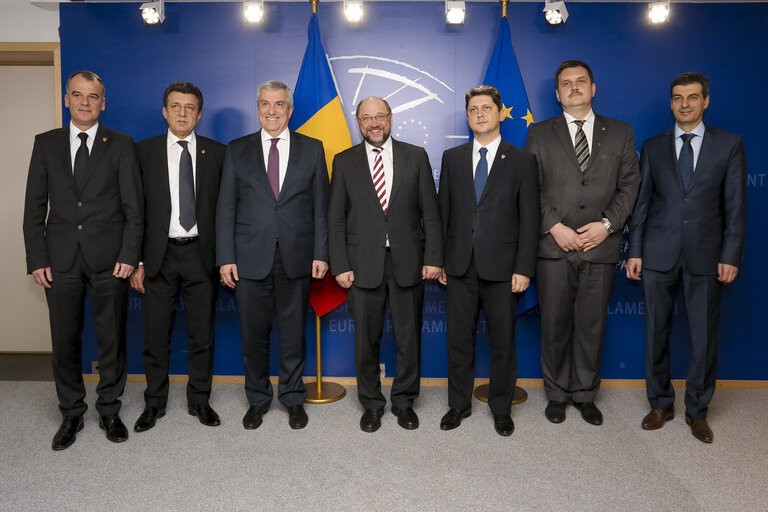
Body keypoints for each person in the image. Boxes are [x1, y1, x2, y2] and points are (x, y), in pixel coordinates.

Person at [23, 70, 143, 450]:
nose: (85, 102)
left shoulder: (121, 144)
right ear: (67, 99)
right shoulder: (46, 144)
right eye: (77, 95)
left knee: (111, 339)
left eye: (93, 96)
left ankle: (109, 408)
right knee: (65, 340)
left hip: (111, 261)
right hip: (59, 259)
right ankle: (71, 412)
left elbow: (133, 209)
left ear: (103, 102)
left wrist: (129, 254)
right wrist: (36, 256)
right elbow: (33, 207)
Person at [627, 72, 746, 444]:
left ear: (705, 101)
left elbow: (736, 208)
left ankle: (697, 411)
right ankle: (660, 403)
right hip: (658, 255)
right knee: (655, 334)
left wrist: (730, 254)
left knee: (703, 338)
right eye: (678, 98)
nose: (684, 104)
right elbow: (642, 206)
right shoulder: (653, 146)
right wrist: (636, 251)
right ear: (671, 102)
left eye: (692, 98)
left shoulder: (729, 145)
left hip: (707, 257)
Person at [525, 60, 639, 426]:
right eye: (566, 83)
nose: (574, 87)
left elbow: (630, 185)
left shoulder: (620, 133)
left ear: (593, 88)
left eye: (581, 81)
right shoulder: (540, 134)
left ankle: (586, 395)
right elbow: (531, 188)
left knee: (591, 326)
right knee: (554, 325)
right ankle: (557, 394)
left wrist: (607, 225)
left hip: (600, 247)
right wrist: (553, 226)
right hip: (553, 247)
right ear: (557, 93)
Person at [216, 80, 329, 430]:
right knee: (253, 335)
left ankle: (293, 398)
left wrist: (321, 253)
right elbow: (225, 209)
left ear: (290, 110)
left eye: (279, 104)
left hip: (297, 257)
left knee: (294, 334)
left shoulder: (312, 148)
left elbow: (321, 209)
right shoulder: (237, 150)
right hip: (249, 258)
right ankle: (258, 399)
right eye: (265, 103)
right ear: (258, 107)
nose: (272, 110)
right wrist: (225, 257)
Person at [328, 97, 443, 433]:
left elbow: (431, 213)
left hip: (408, 261)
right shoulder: (344, 161)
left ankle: (404, 401)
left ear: (391, 119)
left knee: (409, 339)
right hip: (362, 265)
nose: (374, 123)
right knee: (366, 340)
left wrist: (434, 258)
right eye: (367, 118)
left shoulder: (415, 156)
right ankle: (372, 404)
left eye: (379, 116)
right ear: (358, 122)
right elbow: (336, 218)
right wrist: (340, 264)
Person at [437, 85, 540, 437]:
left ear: (499, 114)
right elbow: (442, 215)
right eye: (473, 110)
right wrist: (440, 261)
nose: (480, 114)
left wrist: (524, 268)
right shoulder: (452, 158)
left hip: (503, 268)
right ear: (468, 118)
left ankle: (501, 408)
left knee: (503, 343)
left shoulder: (523, 160)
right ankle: (458, 404)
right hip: (460, 267)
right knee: (458, 341)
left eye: (486, 108)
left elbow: (530, 219)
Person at [130, 81, 226, 432]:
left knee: (202, 335)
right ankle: (154, 404)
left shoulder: (218, 154)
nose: (182, 113)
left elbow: (226, 211)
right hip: (159, 256)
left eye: (189, 107)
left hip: (201, 255)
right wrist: (137, 260)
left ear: (199, 114)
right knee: (156, 335)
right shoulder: (142, 152)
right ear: (164, 111)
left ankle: (199, 401)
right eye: (176, 106)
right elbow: (134, 212)